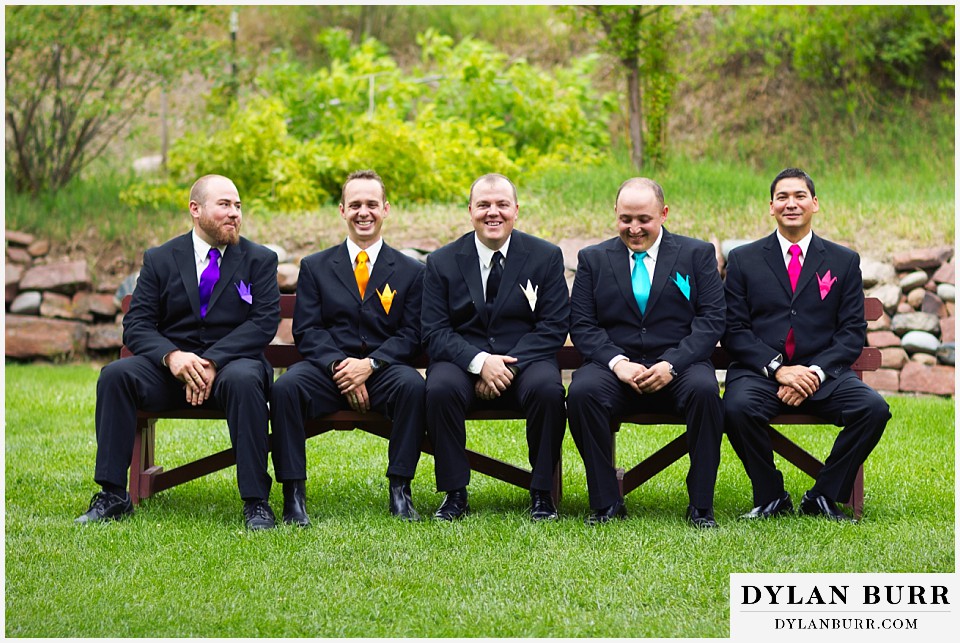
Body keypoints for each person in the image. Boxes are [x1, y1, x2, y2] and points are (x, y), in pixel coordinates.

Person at [76, 174, 282, 530]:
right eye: (224, 205)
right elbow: (137, 324)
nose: (234, 213)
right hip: (169, 373)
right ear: (195, 209)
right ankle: (112, 495)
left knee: (246, 379)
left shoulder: (259, 259)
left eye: (237, 206)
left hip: (233, 369)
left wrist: (212, 361)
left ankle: (256, 503)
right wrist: (173, 357)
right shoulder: (160, 259)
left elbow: (263, 323)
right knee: (115, 375)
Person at [722, 167, 890, 522]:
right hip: (762, 375)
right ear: (771, 207)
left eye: (799, 196)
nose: (791, 203)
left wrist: (813, 373)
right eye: (782, 197)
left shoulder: (844, 261)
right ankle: (770, 496)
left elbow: (850, 333)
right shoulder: (743, 260)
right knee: (735, 408)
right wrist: (779, 370)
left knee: (873, 409)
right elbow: (734, 330)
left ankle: (824, 495)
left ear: (815, 203)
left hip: (823, 376)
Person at [567, 177, 725, 528]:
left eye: (644, 219)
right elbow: (582, 325)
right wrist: (617, 363)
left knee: (705, 393)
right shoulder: (593, 259)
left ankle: (700, 505)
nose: (634, 228)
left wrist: (673, 363)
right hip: (615, 371)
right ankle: (606, 501)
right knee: (581, 392)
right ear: (616, 215)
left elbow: (712, 320)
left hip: (680, 369)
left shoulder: (696, 254)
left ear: (663, 214)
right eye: (626, 219)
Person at [270, 170, 426, 523]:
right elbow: (308, 329)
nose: (363, 212)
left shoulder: (411, 271)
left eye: (372, 204)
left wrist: (369, 366)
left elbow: (412, 333)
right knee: (285, 390)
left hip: (383, 372)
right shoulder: (315, 266)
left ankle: (400, 489)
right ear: (342, 210)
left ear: (386, 209)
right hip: (328, 372)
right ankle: (293, 495)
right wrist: (343, 367)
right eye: (355, 204)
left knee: (414, 387)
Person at [421, 173, 569, 521]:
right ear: (469, 210)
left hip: (526, 360)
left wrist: (507, 366)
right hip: (462, 361)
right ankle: (455, 493)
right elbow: (434, 331)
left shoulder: (545, 256)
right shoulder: (441, 262)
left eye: (502, 204)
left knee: (549, 390)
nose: (493, 212)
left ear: (516, 210)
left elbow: (553, 326)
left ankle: (542, 491)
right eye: (484, 205)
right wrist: (479, 361)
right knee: (438, 388)